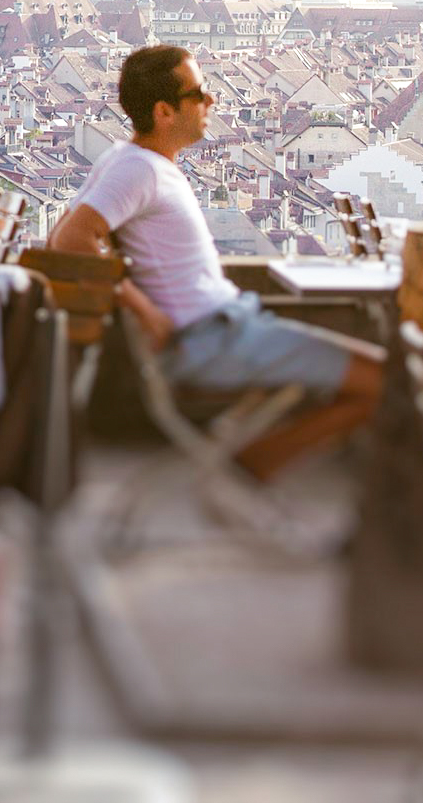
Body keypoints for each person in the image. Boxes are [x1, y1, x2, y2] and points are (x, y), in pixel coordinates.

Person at [48, 44, 382, 480]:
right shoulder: (140, 170)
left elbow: (61, 233)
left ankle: (257, 463)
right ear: (164, 111)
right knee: (384, 380)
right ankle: (255, 465)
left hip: (224, 331)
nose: (212, 100)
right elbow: (70, 240)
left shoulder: (129, 160)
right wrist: (142, 310)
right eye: (199, 93)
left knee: (377, 374)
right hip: (209, 341)